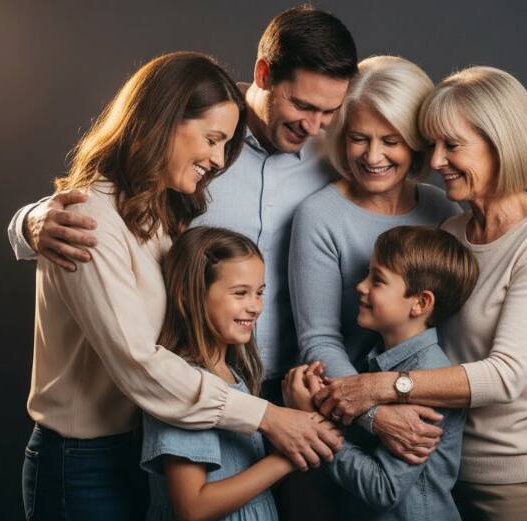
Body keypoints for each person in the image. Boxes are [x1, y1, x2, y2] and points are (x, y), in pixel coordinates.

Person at [7, 6, 527, 463]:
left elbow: (452, 196)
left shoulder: (343, 156)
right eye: (304, 106)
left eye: (330, 115)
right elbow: (119, 201)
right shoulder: (199, 141)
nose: (315, 127)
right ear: (264, 75)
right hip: (192, 381)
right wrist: (32, 222)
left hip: (301, 394)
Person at [21, 52, 340, 521]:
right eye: (212, 140)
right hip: (81, 463)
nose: (216, 160)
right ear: (164, 121)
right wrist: (267, 417)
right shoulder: (87, 219)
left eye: (225, 145)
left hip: (136, 448)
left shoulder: (160, 214)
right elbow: (138, 362)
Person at [313, 66, 527, 520]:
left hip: (526, 478)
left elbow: (505, 376)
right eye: (433, 144)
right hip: (445, 470)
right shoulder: (451, 230)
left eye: (452, 145)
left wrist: (378, 389)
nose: (435, 161)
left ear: (502, 144)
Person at [285, 226, 478, 521]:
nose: (361, 286)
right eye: (366, 273)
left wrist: (315, 426)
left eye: (378, 280)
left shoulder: (430, 378)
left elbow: (383, 488)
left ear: (421, 303)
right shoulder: (372, 361)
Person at [142, 227, 294, 521]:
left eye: (259, 293)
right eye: (240, 293)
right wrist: (288, 457)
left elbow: (247, 477)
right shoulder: (183, 386)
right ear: (189, 296)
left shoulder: (232, 374)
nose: (255, 306)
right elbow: (193, 507)